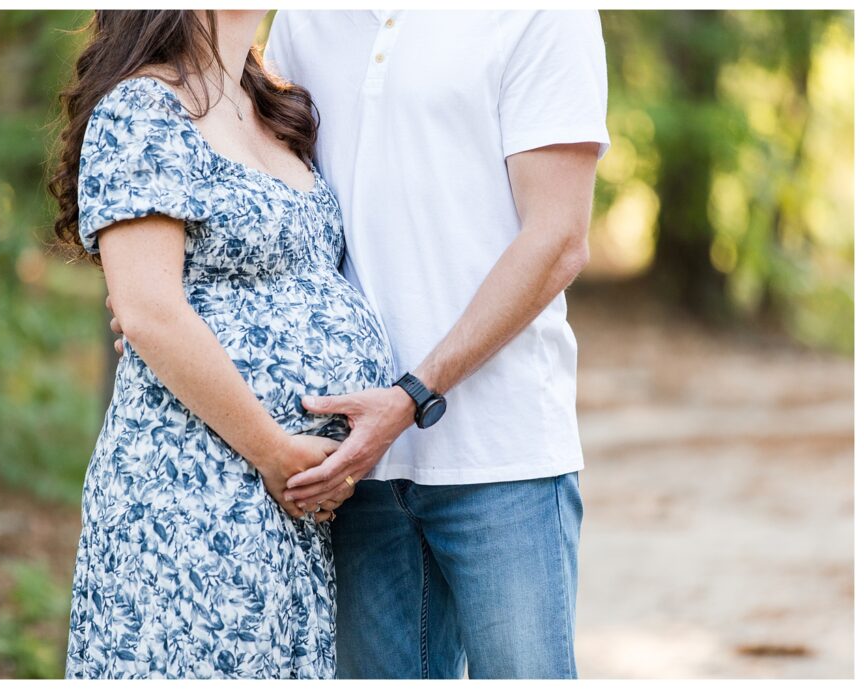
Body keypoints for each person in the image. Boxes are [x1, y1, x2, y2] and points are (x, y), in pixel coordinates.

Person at [264, 10, 610, 679]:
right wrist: (161, 286)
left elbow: (558, 237)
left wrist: (411, 392)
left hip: (504, 459)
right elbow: (260, 181)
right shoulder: (304, 20)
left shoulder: (544, 13)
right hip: (351, 465)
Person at [50, 10, 393, 678]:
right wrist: (274, 449)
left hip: (293, 511)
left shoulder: (266, 98)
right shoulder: (143, 109)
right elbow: (148, 309)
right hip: (192, 493)